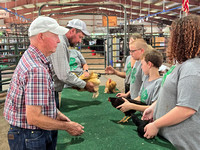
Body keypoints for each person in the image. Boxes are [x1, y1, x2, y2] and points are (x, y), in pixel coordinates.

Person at [3, 16, 84, 150]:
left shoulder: (32, 57)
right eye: (55, 36)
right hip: (30, 135)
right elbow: (34, 118)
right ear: (41, 37)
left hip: (24, 132)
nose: (58, 40)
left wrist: (56, 113)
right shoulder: (36, 69)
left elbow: (34, 101)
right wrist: (67, 126)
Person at [142, 15, 200, 150]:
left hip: (182, 143)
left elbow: (186, 109)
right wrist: (154, 108)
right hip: (169, 139)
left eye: (173, 35)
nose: (170, 39)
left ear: (181, 38)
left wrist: (156, 124)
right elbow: (173, 93)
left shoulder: (192, 68)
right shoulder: (182, 65)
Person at [48, 19, 95, 108]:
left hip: (51, 89)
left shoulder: (62, 42)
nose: (80, 41)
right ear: (72, 31)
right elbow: (64, 75)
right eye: (80, 37)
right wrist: (85, 85)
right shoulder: (60, 43)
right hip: (48, 92)